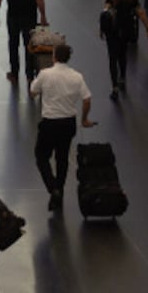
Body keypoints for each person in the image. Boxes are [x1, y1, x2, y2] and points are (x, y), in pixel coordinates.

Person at [29, 44, 95, 211]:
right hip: (68, 123)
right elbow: (87, 99)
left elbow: (33, 91)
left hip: (50, 123)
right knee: (62, 158)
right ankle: (59, 190)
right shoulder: (77, 77)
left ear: (54, 56)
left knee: (41, 156)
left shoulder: (45, 74)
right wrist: (84, 119)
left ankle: (53, 189)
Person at [98, 0, 148, 100]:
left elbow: (105, 14)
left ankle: (114, 87)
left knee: (112, 59)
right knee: (123, 55)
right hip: (126, 31)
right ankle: (122, 78)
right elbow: (141, 13)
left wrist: (101, 29)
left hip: (113, 33)